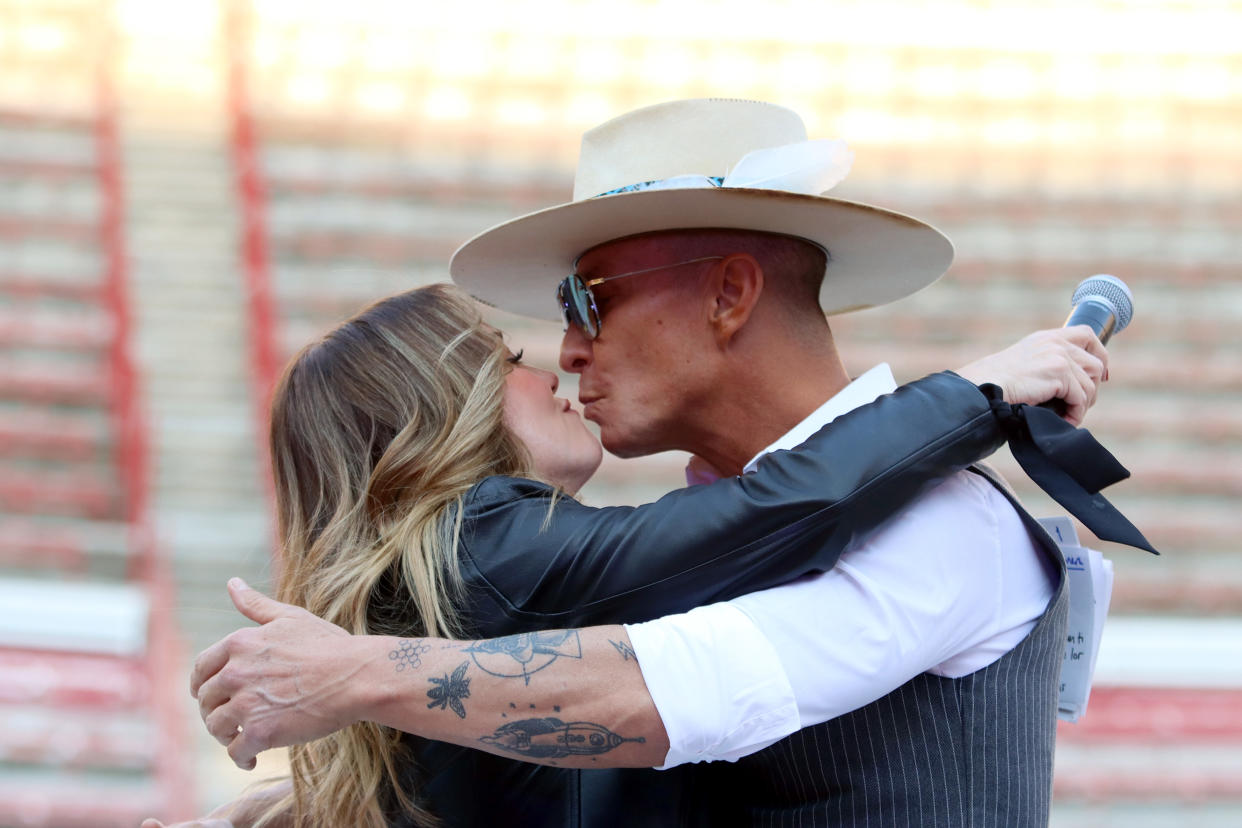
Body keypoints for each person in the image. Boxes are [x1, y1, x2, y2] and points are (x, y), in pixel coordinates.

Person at [160, 99, 1133, 827]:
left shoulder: (938, 522)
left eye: (589, 301)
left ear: (728, 296)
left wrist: (359, 678)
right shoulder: (672, 537)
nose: (565, 350)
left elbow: (672, 693)